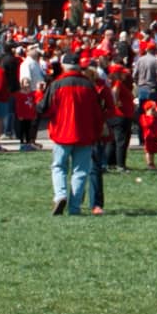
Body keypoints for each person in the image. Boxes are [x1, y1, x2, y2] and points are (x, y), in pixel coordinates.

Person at [47, 56, 105, 215]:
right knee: (80, 171)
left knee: (59, 166)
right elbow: (98, 112)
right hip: (85, 134)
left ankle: (60, 195)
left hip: (62, 132)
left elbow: (44, 107)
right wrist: (97, 132)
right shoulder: (89, 85)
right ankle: (74, 207)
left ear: (64, 66)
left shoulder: (57, 84)